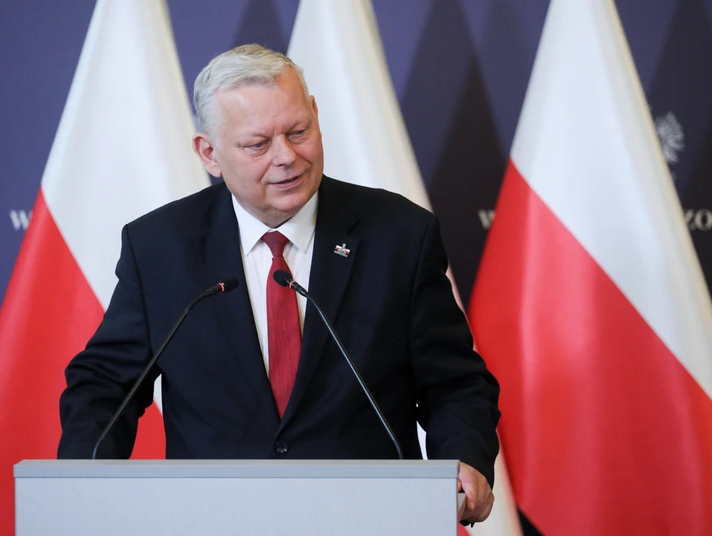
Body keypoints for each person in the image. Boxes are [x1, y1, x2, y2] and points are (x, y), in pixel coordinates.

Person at [58, 44, 500, 525]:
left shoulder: (399, 235)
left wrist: (464, 456)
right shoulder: (160, 248)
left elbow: (454, 382)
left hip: (369, 519)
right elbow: (106, 384)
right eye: (258, 145)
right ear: (209, 153)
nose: (286, 157)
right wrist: (84, 483)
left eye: (298, 131)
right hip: (214, 520)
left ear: (316, 115)